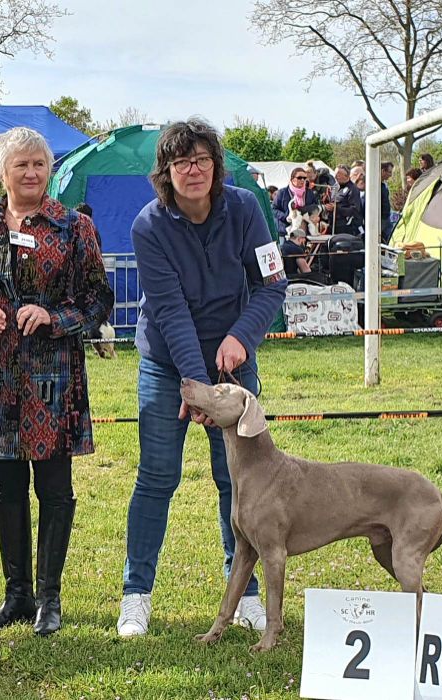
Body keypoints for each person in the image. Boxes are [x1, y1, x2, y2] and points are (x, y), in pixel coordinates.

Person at [117, 118, 287, 637]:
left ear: (216, 166)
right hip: (170, 364)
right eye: (182, 162)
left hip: (235, 362)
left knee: (237, 480)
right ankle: (135, 596)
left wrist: (241, 336)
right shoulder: (149, 225)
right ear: (166, 172)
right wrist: (197, 388)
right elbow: (169, 312)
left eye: (203, 160)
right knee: (157, 478)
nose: (193, 170)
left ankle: (248, 596)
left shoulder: (246, 208)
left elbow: (272, 285)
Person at [0, 126, 113, 636]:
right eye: (21, 165)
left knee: (54, 487)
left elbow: (98, 302)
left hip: (54, 380)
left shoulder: (73, 227)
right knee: (5, 489)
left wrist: (52, 317)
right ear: (1, 172)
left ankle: (50, 597)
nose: (31, 173)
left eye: (40, 164)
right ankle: (16, 595)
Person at [272, 167, 318, 239]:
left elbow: (315, 207)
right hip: (286, 231)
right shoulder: (282, 192)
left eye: (304, 178)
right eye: (299, 178)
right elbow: (273, 209)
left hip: (305, 232)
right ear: (293, 179)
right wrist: (286, 217)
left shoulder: (309, 193)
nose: (302, 180)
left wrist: (315, 216)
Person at [329, 165, 363, 237]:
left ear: (346, 175)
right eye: (335, 174)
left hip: (346, 227)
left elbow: (354, 210)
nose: (335, 176)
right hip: (333, 225)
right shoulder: (335, 187)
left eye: (338, 174)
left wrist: (337, 208)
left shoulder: (353, 189)